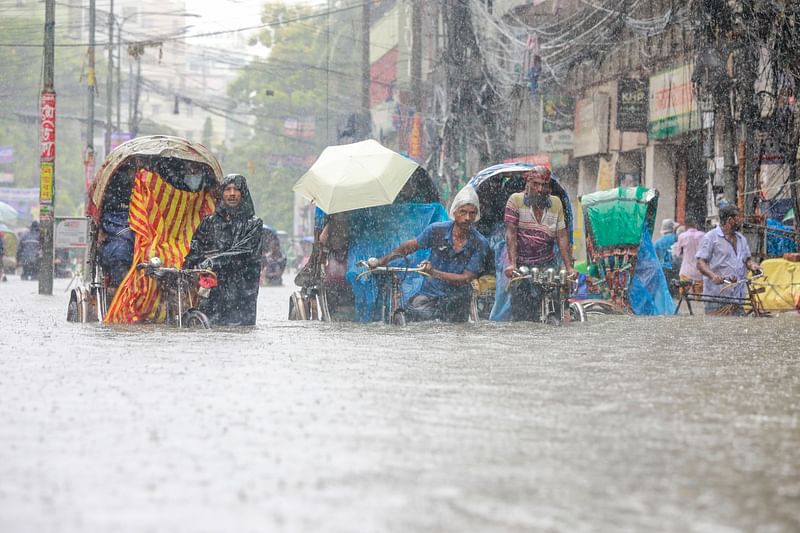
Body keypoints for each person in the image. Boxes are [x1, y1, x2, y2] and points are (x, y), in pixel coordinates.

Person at [372, 186, 488, 322]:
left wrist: (434, 273)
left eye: (472, 213)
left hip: (458, 299)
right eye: (463, 212)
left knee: (455, 331)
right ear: (454, 212)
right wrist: (382, 261)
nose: (467, 217)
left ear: (476, 216)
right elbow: (410, 246)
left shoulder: (480, 243)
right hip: (430, 294)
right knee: (413, 318)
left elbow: (466, 278)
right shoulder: (436, 230)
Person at [184, 174, 263, 326]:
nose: (232, 194)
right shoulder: (209, 222)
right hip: (212, 291)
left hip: (241, 294)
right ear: (222, 193)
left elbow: (244, 251)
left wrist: (211, 261)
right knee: (208, 329)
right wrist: (187, 268)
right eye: (227, 189)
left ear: (243, 193)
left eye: (236, 189)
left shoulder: (254, 224)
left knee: (236, 330)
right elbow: (196, 249)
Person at [503, 166, 575, 321]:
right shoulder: (515, 200)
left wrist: (569, 267)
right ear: (528, 183)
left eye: (545, 185)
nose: (540, 189)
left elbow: (562, 236)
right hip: (521, 262)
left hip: (546, 261)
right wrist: (512, 263)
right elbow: (511, 234)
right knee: (522, 313)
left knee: (557, 302)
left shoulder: (556, 203)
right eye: (536, 184)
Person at [695, 205, 762, 315]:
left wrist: (753, 266)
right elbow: (700, 262)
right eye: (738, 218)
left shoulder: (741, 239)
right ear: (730, 220)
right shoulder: (711, 237)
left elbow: (747, 260)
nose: (741, 221)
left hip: (738, 297)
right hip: (717, 297)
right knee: (717, 330)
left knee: (738, 329)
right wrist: (713, 276)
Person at [672, 215, 705, 296]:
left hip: (686, 272)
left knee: (683, 298)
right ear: (696, 224)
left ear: (686, 225)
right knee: (699, 298)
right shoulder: (703, 235)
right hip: (700, 272)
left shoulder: (682, 236)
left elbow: (678, 253)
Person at [654, 218, 678, 292]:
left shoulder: (658, 242)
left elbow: (655, 256)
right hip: (676, 267)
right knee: (676, 289)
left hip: (663, 268)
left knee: (666, 290)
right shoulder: (676, 238)